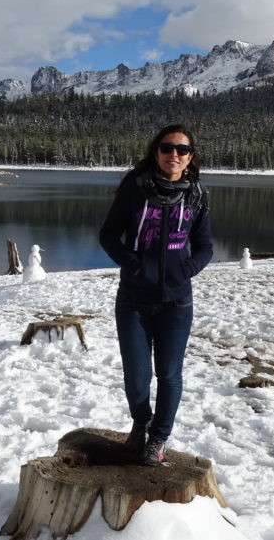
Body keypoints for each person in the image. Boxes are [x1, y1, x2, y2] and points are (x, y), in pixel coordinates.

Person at [98, 124, 214, 466]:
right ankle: (141, 421)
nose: (173, 155)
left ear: (190, 158)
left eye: (181, 150)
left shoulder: (196, 196)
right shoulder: (135, 191)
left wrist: (187, 268)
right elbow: (108, 236)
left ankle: (158, 438)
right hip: (134, 298)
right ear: (155, 152)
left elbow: (206, 246)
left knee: (169, 374)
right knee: (137, 375)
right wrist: (132, 264)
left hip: (177, 301)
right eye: (167, 148)